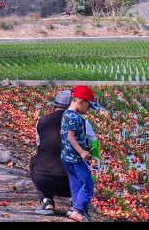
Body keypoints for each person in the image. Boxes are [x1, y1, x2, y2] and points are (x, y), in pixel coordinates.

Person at [60, 84, 101, 222]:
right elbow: (70, 137)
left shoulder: (65, 114)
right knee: (88, 184)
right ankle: (78, 211)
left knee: (75, 183)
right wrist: (82, 152)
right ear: (81, 102)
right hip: (75, 158)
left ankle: (77, 210)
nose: (88, 110)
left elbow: (64, 134)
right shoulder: (75, 118)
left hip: (66, 157)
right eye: (88, 106)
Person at [29, 88, 72, 214]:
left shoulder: (42, 121)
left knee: (34, 161)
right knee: (84, 166)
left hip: (44, 180)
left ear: (54, 107)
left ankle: (46, 201)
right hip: (71, 184)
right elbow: (92, 147)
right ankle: (77, 206)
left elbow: (39, 144)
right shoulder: (82, 123)